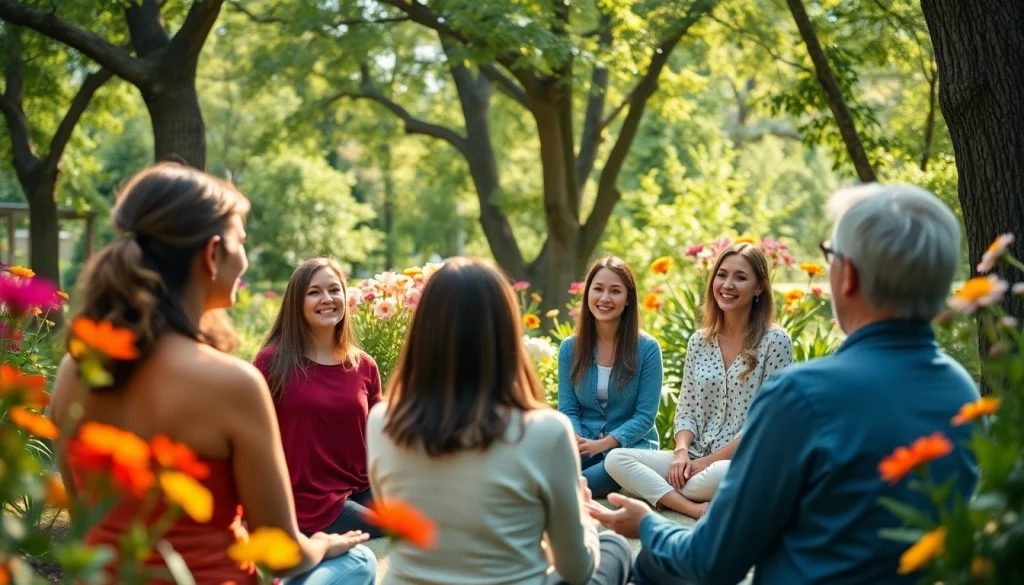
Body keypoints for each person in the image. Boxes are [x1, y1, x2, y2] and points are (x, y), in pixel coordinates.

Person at [589, 184, 981, 585]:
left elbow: (711, 562)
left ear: (847, 277)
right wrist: (684, 454)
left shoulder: (803, 395)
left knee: (632, 563)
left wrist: (648, 527)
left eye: (831, 255)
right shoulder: (964, 397)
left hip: (727, 489)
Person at [49, 163, 377, 585]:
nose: (243, 257)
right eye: (241, 241)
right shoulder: (232, 383)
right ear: (212, 254)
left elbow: (83, 520)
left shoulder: (76, 369)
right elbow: (284, 555)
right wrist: (325, 544)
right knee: (361, 562)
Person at [366, 258, 632, 585]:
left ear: (424, 328)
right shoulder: (545, 431)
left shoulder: (381, 422)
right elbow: (576, 570)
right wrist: (582, 515)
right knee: (614, 547)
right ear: (506, 329)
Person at [605, 243, 793, 519]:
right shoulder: (699, 341)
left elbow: (765, 423)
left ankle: (668, 491)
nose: (727, 284)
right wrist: (681, 452)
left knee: (723, 473)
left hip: (740, 462)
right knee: (617, 459)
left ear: (759, 288)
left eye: (740, 277)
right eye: (722, 275)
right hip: (693, 457)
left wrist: (707, 463)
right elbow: (686, 410)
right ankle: (691, 506)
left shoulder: (776, 342)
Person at [255, 258, 383, 538]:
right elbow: (254, 438)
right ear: (296, 303)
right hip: (309, 502)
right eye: (314, 292)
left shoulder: (364, 366)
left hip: (361, 489)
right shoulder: (272, 363)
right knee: (398, 530)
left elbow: (379, 438)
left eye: (334, 290)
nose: (327, 299)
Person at [557, 256, 663, 498]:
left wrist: (603, 445)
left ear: (627, 300)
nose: (605, 298)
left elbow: (645, 417)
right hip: (584, 444)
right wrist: (577, 439)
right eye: (598, 289)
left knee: (577, 485)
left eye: (615, 291)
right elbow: (568, 409)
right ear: (587, 295)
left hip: (628, 450)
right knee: (544, 468)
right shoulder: (570, 349)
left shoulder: (647, 349)